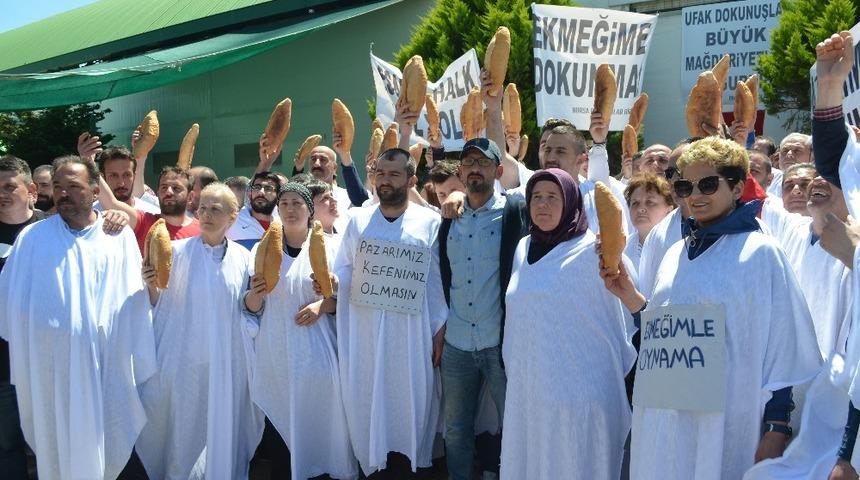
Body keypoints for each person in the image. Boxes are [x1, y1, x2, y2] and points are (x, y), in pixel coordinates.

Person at [601, 137, 821, 479]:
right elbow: (666, 334)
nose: (696, 195)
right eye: (686, 185)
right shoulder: (675, 253)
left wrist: (777, 427)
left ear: (736, 188)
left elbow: (785, 348)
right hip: (664, 421)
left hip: (724, 426)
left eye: (708, 184)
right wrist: (630, 297)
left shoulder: (760, 253)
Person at [0, 156, 156, 479]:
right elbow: (10, 302)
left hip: (105, 368)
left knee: (107, 448)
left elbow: (134, 302)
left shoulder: (118, 237)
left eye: (74, 186)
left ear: (95, 190)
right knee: (59, 450)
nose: (64, 194)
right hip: (52, 373)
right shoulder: (32, 239)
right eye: (58, 187)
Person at [501, 168, 635, 479]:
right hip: (530, 390)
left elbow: (623, 311)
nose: (542, 205)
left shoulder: (596, 251)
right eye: (536, 197)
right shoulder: (523, 248)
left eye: (552, 197)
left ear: (572, 202)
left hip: (579, 394)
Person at [133, 183, 264, 479]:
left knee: (221, 435)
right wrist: (151, 283)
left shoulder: (244, 259)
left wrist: (257, 294)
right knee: (183, 438)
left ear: (232, 217)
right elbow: (157, 304)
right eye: (202, 207)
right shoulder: (175, 252)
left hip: (226, 366)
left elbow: (250, 310)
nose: (206, 214)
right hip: (183, 366)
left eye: (215, 209)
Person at [331, 148, 447, 477]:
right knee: (370, 401)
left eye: (394, 174)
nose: (385, 180)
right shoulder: (356, 220)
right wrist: (333, 283)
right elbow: (345, 269)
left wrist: (439, 327)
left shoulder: (430, 221)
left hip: (411, 332)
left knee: (410, 403)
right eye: (380, 173)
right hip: (366, 331)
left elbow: (436, 277)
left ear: (411, 180)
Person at [244, 182, 357, 480]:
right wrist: (256, 293)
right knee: (283, 441)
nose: (290, 209)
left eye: (297, 203)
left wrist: (323, 305)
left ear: (310, 210)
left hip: (318, 358)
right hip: (276, 357)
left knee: (321, 431)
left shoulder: (330, 248)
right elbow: (250, 307)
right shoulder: (263, 249)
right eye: (284, 204)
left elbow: (345, 302)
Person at [438, 138, 529, 480]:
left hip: (500, 342)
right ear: (460, 172)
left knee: (514, 423)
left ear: (498, 170)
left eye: (484, 162)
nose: (475, 168)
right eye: (469, 162)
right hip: (458, 343)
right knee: (457, 429)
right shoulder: (448, 216)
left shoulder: (515, 211)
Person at [0, 155, 45, 478]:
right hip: (3, 364)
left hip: (44, 361)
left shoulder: (51, 229)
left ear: (30, 189)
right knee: (8, 447)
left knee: (49, 444)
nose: (1, 193)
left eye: (8, 186)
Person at [99, 165, 201, 253]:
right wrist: (88, 160)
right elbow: (111, 202)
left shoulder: (202, 230)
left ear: (190, 197)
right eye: (164, 187)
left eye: (176, 188)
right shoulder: (145, 222)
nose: (168, 192)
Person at [623, 173, 675, 269]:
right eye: (635, 203)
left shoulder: (676, 247)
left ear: (669, 210)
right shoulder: (622, 249)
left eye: (650, 202)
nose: (641, 209)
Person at [93, 147, 160, 214]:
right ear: (103, 177)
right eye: (114, 176)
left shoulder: (152, 213)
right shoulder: (90, 216)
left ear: (134, 176)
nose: (121, 183)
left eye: (127, 175)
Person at [226, 172, 282, 250]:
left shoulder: (284, 223)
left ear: (278, 195)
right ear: (249, 194)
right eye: (257, 187)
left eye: (268, 188)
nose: (261, 192)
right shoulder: (231, 222)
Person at [769, 133, 813, 198]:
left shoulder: (820, 185)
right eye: (785, 150)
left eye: (797, 150)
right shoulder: (768, 178)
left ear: (812, 156)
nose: (789, 154)